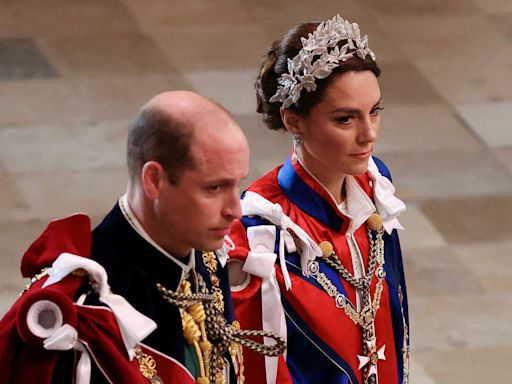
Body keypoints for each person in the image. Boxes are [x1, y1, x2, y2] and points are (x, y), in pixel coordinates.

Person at [0, 91, 284, 384]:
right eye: (214, 188)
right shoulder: (84, 311)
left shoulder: (207, 258)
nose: (234, 210)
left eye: (237, 184)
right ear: (154, 180)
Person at [227, 15, 409, 384]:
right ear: (294, 121)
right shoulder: (262, 232)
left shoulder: (376, 186)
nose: (369, 135)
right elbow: (259, 368)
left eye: (374, 111)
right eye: (345, 120)